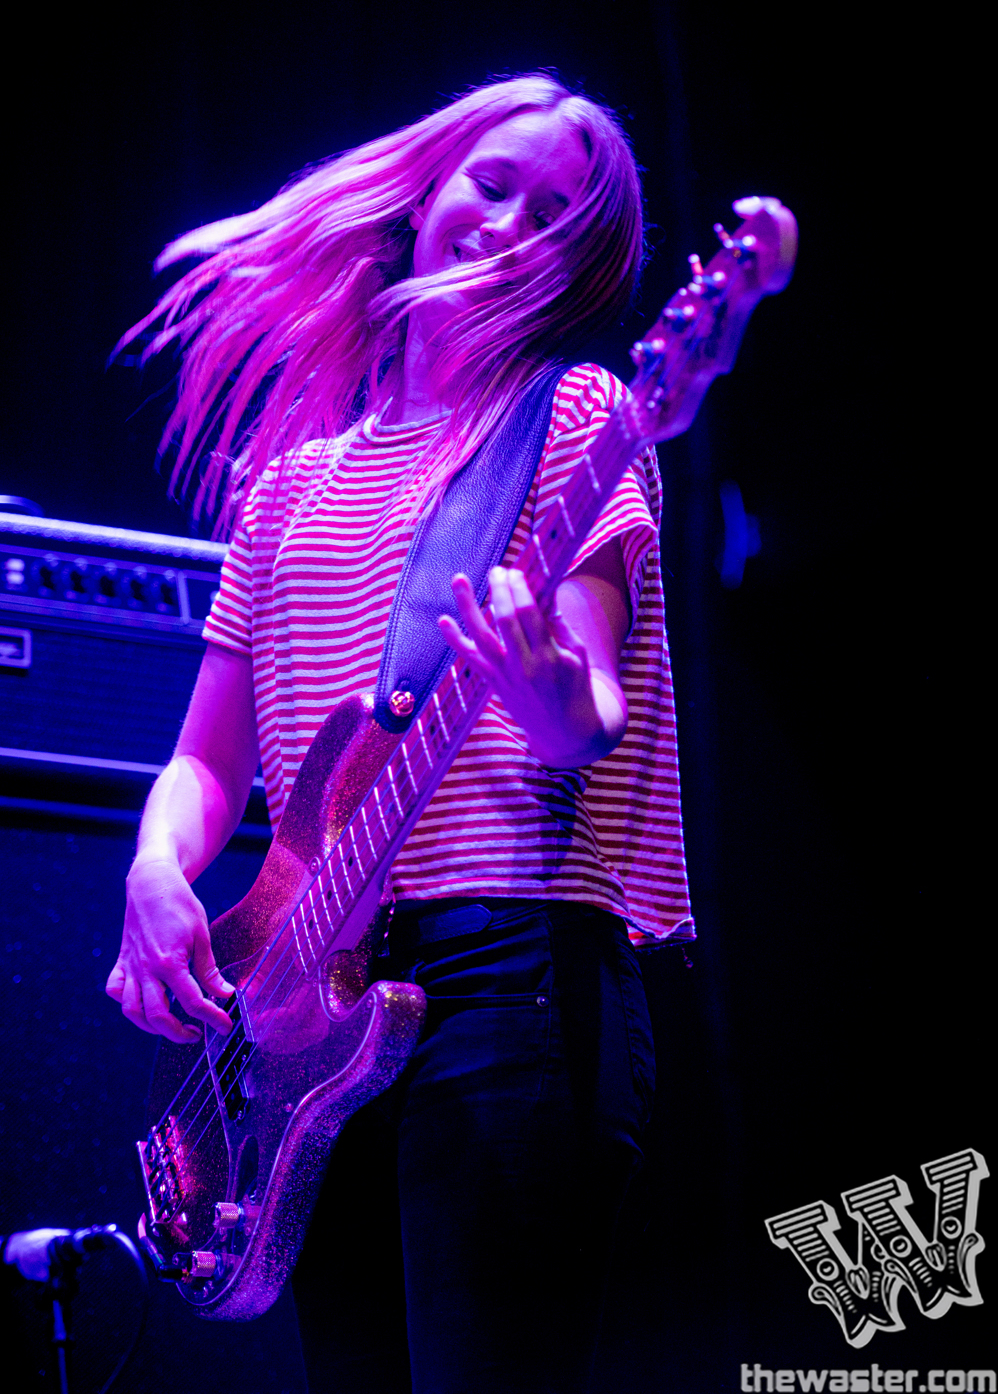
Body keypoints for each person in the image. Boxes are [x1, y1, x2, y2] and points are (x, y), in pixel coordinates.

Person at [106, 74, 694, 1394]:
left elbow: (587, 710)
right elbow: (207, 760)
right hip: (309, 1007)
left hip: (509, 979)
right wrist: (153, 870)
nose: (510, 225)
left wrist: (548, 690)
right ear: (426, 194)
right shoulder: (286, 484)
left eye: (555, 216)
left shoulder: (576, 416)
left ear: (580, 265)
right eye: (493, 185)